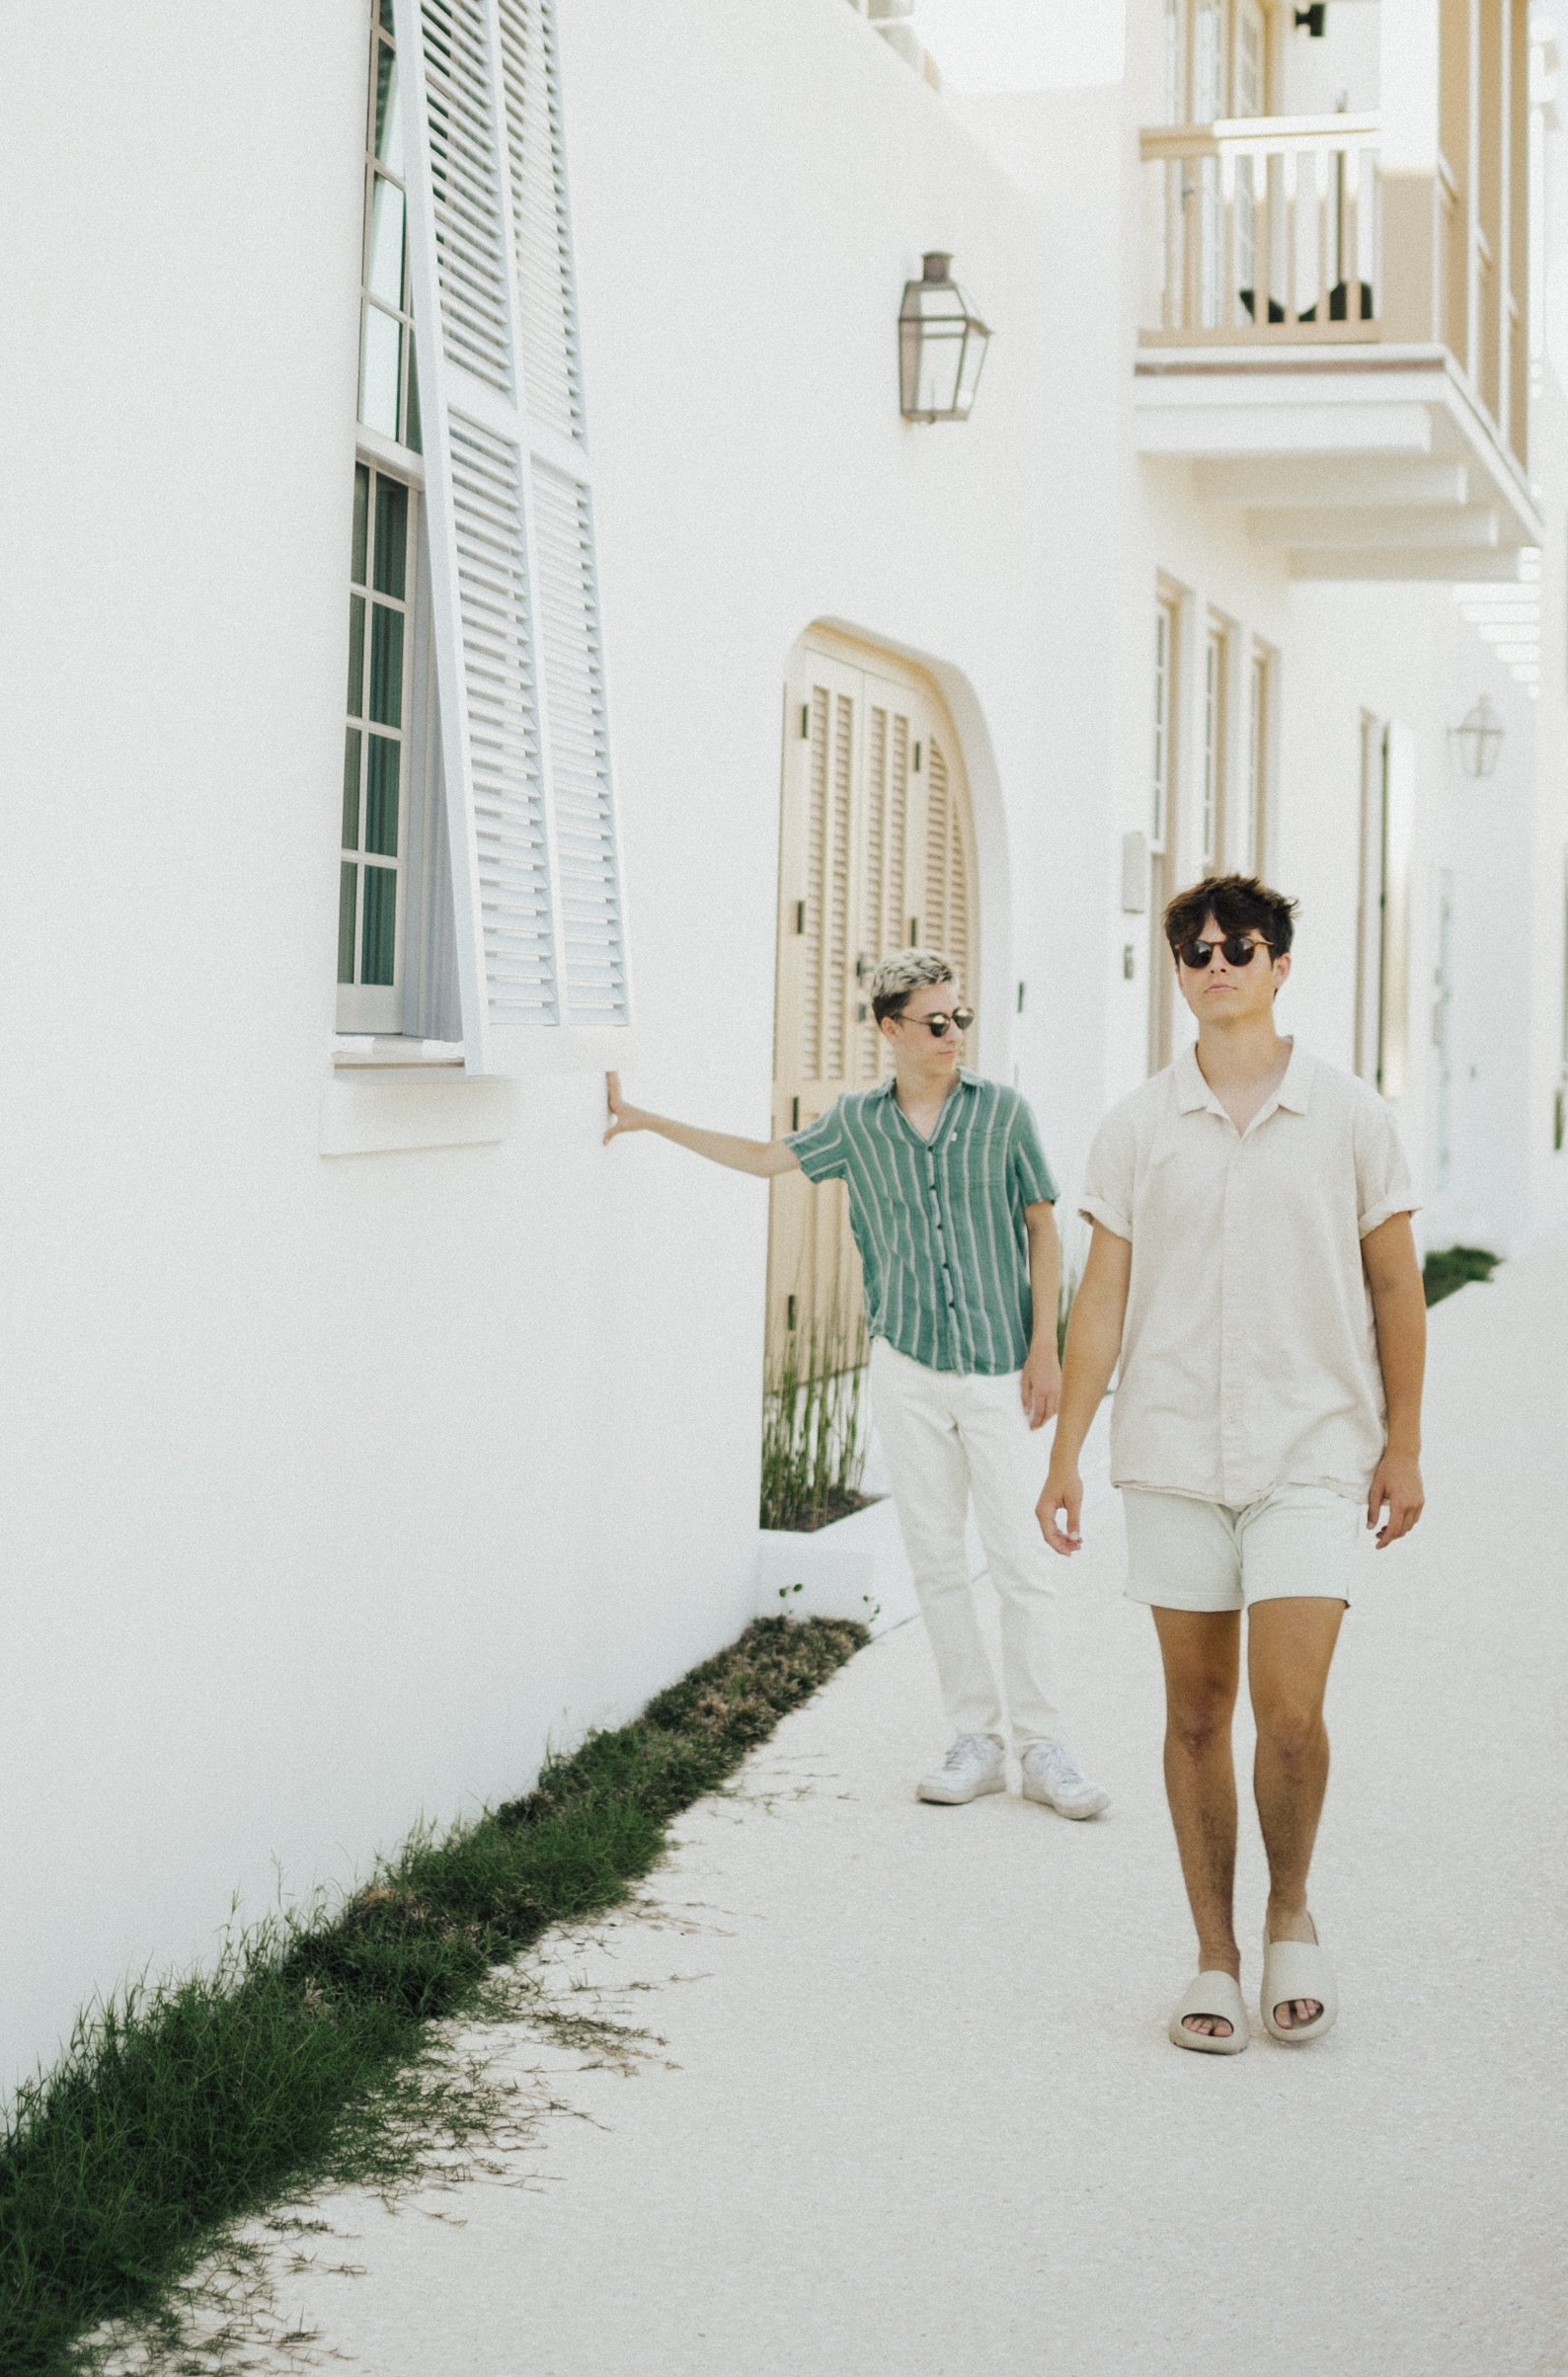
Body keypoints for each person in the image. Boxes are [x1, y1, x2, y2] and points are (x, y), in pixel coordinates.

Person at [1038, 875, 1424, 2054]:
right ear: (1178, 970)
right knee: (1197, 1713)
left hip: (1311, 1449)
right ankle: (1213, 1952)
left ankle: (1289, 1910)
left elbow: (1396, 1285)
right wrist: (1064, 1453)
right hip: (1168, 1453)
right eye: (1196, 949)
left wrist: (1403, 1440)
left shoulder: (1349, 1115)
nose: (1218, 962)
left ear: (1279, 963)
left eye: (1240, 945)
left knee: (1290, 1713)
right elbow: (1099, 1296)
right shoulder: (1137, 1124)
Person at [606, 952, 1108, 1819]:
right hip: (906, 1366)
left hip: (996, 1369)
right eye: (936, 1022)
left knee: (1019, 1561)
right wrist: (644, 1118)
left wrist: (1045, 1348)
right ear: (890, 1028)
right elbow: (767, 1158)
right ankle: (977, 1740)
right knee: (937, 1562)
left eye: (962, 1019)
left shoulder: (1005, 1115)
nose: (954, 1035)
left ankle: (1045, 1745)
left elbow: (1042, 1228)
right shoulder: (856, 1124)